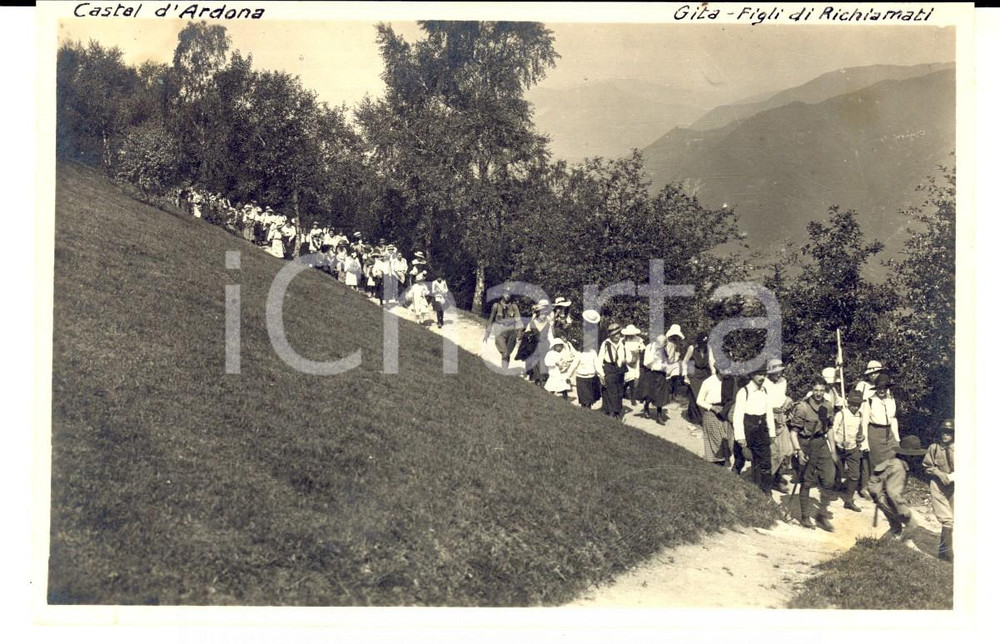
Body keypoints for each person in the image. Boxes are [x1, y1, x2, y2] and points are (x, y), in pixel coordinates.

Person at [788, 377, 838, 531]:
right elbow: (793, 432)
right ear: (812, 390)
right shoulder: (803, 407)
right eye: (816, 390)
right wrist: (799, 451)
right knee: (806, 480)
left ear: (825, 391)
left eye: (821, 390)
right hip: (805, 443)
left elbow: (829, 428)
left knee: (829, 479)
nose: (818, 393)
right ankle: (804, 516)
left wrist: (833, 449)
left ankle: (821, 515)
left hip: (821, 443)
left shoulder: (827, 406)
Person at [869, 435, 927, 544]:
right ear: (909, 456)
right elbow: (893, 492)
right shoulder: (899, 468)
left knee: (896, 527)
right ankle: (897, 546)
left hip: (880, 498)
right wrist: (902, 508)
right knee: (912, 525)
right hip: (888, 500)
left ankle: (880, 546)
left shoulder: (893, 461)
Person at [732, 365, 776, 495]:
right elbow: (738, 416)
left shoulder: (765, 391)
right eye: (759, 374)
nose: (762, 377)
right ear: (752, 375)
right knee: (740, 460)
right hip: (747, 429)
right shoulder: (744, 392)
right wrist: (740, 437)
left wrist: (771, 432)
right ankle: (732, 487)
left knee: (765, 463)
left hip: (761, 430)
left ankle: (766, 492)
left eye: (764, 375)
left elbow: (769, 413)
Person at [923, 419, 955, 562]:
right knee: (946, 520)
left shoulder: (961, 448)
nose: (945, 435)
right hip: (938, 486)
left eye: (949, 433)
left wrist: (952, 477)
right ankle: (946, 555)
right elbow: (927, 466)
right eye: (943, 432)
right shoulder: (934, 448)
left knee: (956, 519)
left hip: (955, 486)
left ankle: (945, 552)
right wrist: (939, 474)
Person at [697, 357, 735, 465]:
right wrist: (712, 408)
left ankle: (724, 459)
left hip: (725, 410)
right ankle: (717, 462)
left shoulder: (729, 381)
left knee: (729, 438)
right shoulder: (708, 382)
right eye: (726, 369)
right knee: (717, 439)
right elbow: (699, 400)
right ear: (719, 370)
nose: (729, 372)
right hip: (711, 412)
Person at [832, 390, 866, 512]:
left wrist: (862, 437)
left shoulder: (860, 415)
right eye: (853, 404)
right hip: (839, 448)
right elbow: (832, 432)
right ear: (848, 402)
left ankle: (848, 500)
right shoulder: (841, 414)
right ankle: (833, 489)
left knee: (855, 475)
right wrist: (839, 442)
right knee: (837, 472)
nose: (855, 407)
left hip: (853, 448)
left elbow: (860, 431)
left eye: (858, 404)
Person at [763, 358, 794, 494]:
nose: (779, 374)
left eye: (780, 372)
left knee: (786, 450)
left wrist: (788, 401)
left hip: (782, 416)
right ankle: (767, 480)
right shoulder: (764, 383)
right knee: (773, 450)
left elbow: (782, 396)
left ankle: (776, 477)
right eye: (776, 372)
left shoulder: (783, 381)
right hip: (768, 416)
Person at [861, 373, 900, 467]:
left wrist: (897, 438)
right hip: (875, 434)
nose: (882, 390)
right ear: (876, 388)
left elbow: (893, 420)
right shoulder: (869, 401)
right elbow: (864, 422)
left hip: (889, 434)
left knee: (891, 461)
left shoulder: (891, 400)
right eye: (879, 387)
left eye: (884, 387)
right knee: (878, 465)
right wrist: (865, 443)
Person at [516, 300, 554, 385]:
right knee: (533, 360)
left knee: (542, 362)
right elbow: (526, 333)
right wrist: (528, 336)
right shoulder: (532, 323)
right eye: (542, 314)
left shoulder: (548, 325)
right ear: (538, 314)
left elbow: (550, 336)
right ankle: (535, 377)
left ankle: (541, 378)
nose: (543, 316)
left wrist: (552, 346)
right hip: (533, 345)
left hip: (544, 345)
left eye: (545, 314)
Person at [484, 290, 523, 369]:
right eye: (505, 293)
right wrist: (487, 333)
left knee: (507, 354)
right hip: (500, 332)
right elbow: (491, 319)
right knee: (505, 353)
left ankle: (505, 371)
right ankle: (504, 370)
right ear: (502, 294)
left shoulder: (514, 307)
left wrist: (520, 334)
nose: (507, 295)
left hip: (511, 333)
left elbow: (518, 320)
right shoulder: (496, 306)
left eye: (509, 294)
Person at [683, 332, 714, 427]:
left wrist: (713, 373)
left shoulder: (708, 348)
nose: (703, 346)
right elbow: (685, 362)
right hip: (694, 373)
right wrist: (685, 375)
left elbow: (711, 361)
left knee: (703, 396)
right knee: (695, 395)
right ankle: (697, 418)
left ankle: (695, 416)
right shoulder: (692, 348)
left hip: (704, 373)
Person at [640, 334, 670, 425]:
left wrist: (665, 368)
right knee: (649, 393)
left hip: (660, 374)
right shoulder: (649, 347)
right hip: (650, 372)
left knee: (659, 395)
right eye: (658, 343)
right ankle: (646, 406)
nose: (659, 345)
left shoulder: (664, 350)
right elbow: (646, 363)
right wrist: (654, 356)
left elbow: (666, 362)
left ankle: (659, 416)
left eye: (661, 344)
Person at [598, 323, 627, 421]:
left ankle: (617, 411)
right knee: (610, 390)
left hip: (619, 369)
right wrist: (601, 374)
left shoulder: (623, 343)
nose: (616, 336)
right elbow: (599, 360)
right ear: (610, 335)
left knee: (619, 391)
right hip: (609, 368)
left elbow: (628, 356)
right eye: (614, 334)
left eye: (618, 333)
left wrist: (625, 361)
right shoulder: (606, 344)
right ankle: (611, 412)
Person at [575, 313, 602, 410]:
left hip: (591, 372)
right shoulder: (580, 353)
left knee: (590, 393)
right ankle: (584, 406)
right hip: (582, 374)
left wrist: (600, 373)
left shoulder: (598, 331)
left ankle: (589, 405)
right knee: (583, 393)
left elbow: (597, 363)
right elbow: (575, 363)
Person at [620, 325, 644, 406]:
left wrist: (639, 350)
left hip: (635, 361)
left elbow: (642, 348)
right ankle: (624, 393)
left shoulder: (638, 339)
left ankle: (632, 398)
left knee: (633, 379)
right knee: (626, 378)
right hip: (625, 360)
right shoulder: (622, 340)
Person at [664, 325, 686, 408]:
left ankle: (673, 395)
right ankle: (668, 397)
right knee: (668, 381)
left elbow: (678, 352)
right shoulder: (667, 342)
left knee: (674, 379)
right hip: (667, 362)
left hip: (675, 362)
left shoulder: (676, 342)